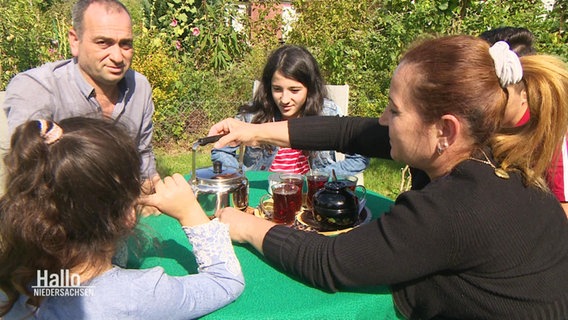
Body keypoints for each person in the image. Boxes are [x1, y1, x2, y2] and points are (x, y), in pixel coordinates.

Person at [209, 35, 568, 319]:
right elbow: (348, 131)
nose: (383, 119)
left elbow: (330, 262)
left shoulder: (453, 207)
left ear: (445, 129)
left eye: (394, 110)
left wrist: (246, 227)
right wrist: (253, 131)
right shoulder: (478, 153)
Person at [0, 117, 244, 319]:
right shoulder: (136, 295)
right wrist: (189, 210)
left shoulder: (24, 277)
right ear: (128, 214)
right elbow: (225, 281)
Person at [2, 0, 158, 184]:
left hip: (123, 205)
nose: (117, 57)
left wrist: (152, 192)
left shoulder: (139, 87)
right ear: (75, 41)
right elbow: (30, 172)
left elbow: (143, 155)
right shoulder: (37, 88)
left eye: (125, 44)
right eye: (103, 43)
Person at [211, 44, 369, 176]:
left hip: (311, 196)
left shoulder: (326, 113)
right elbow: (221, 150)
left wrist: (319, 177)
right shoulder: (254, 115)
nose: (285, 99)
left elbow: (359, 156)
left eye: (294, 90)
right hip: (263, 196)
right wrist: (242, 177)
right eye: (277, 89)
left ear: (310, 89)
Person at [480, 26, 568, 216]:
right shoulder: (485, 124)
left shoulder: (553, 133)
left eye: (496, 87)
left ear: (525, 88)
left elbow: (564, 210)